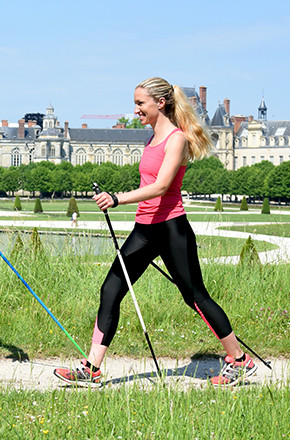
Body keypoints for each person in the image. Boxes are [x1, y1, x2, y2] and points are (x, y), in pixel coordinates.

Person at [54, 77, 256, 387]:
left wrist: (118, 198)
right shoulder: (150, 139)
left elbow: (161, 186)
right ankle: (92, 368)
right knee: (111, 290)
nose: (135, 110)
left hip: (171, 229)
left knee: (195, 296)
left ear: (159, 103)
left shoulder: (176, 139)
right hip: (144, 229)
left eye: (140, 104)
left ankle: (239, 360)